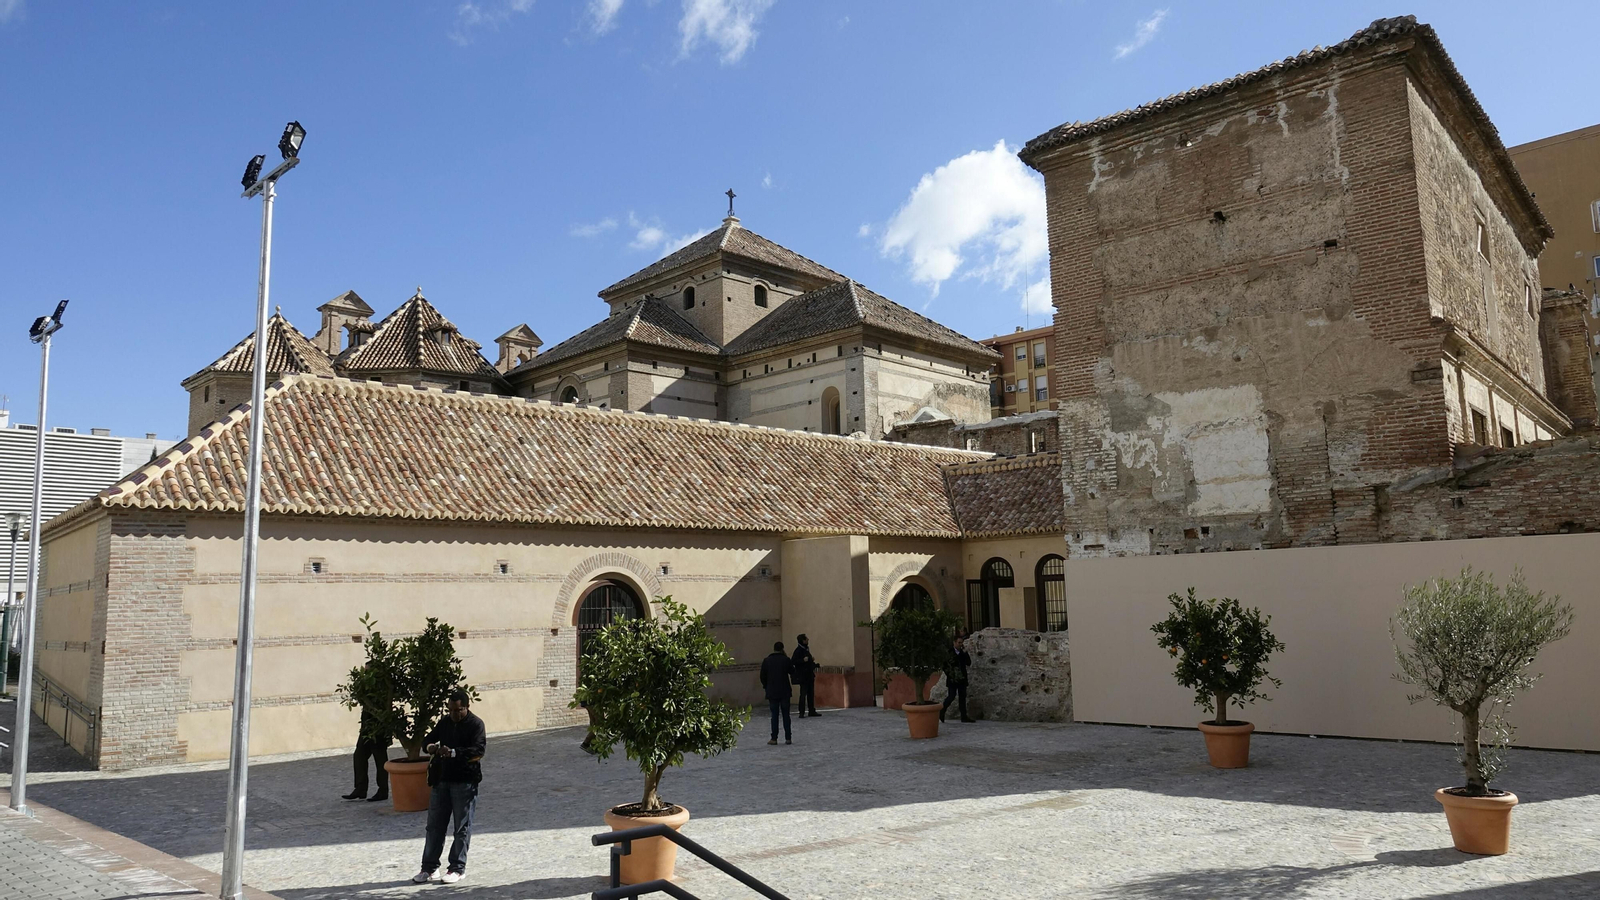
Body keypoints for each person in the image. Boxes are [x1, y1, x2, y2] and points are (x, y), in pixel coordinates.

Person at [412, 690, 486, 885]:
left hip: (465, 781)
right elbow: (427, 740)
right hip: (442, 780)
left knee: (461, 827)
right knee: (434, 826)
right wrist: (431, 747)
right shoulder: (445, 722)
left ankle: (457, 868)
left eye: (458, 710)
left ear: (467, 707)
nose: (454, 714)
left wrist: (453, 752)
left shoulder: (476, 725)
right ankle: (429, 867)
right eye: (451, 710)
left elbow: (478, 750)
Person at [342, 676, 392, 802]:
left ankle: (383, 790)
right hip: (366, 728)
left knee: (380, 760)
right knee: (359, 756)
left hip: (378, 729)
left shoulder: (382, 685)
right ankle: (360, 788)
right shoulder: (365, 685)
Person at [759, 640, 794, 745]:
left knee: (774, 715)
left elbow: (762, 676)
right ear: (782, 649)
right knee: (786, 715)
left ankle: (774, 738)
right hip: (784, 691)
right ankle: (788, 738)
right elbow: (792, 671)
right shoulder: (786, 660)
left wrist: (766, 686)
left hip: (772, 691)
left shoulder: (767, 661)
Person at [940, 635, 975, 723]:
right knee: (951, 696)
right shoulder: (949, 652)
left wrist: (965, 653)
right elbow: (944, 666)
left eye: (961, 643)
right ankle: (942, 711)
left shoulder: (963, 653)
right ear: (954, 642)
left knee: (962, 697)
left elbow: (968, 663)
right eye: (959, 642)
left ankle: (964, 717)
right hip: (952, 679)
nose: (960, 644)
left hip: (962, 678)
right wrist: (950, 674)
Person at [791, 634, 819, 718]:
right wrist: (802, 660)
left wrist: (813, 663)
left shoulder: (806, 649)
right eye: (806, 639)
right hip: (803, 676)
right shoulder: (798, 650)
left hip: (809, 675)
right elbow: (793, 661)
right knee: (803, 694)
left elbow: (808, 662)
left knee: (811, 694)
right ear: (803, 641)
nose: (808, 640)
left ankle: (811, 710)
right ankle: (801, 712)